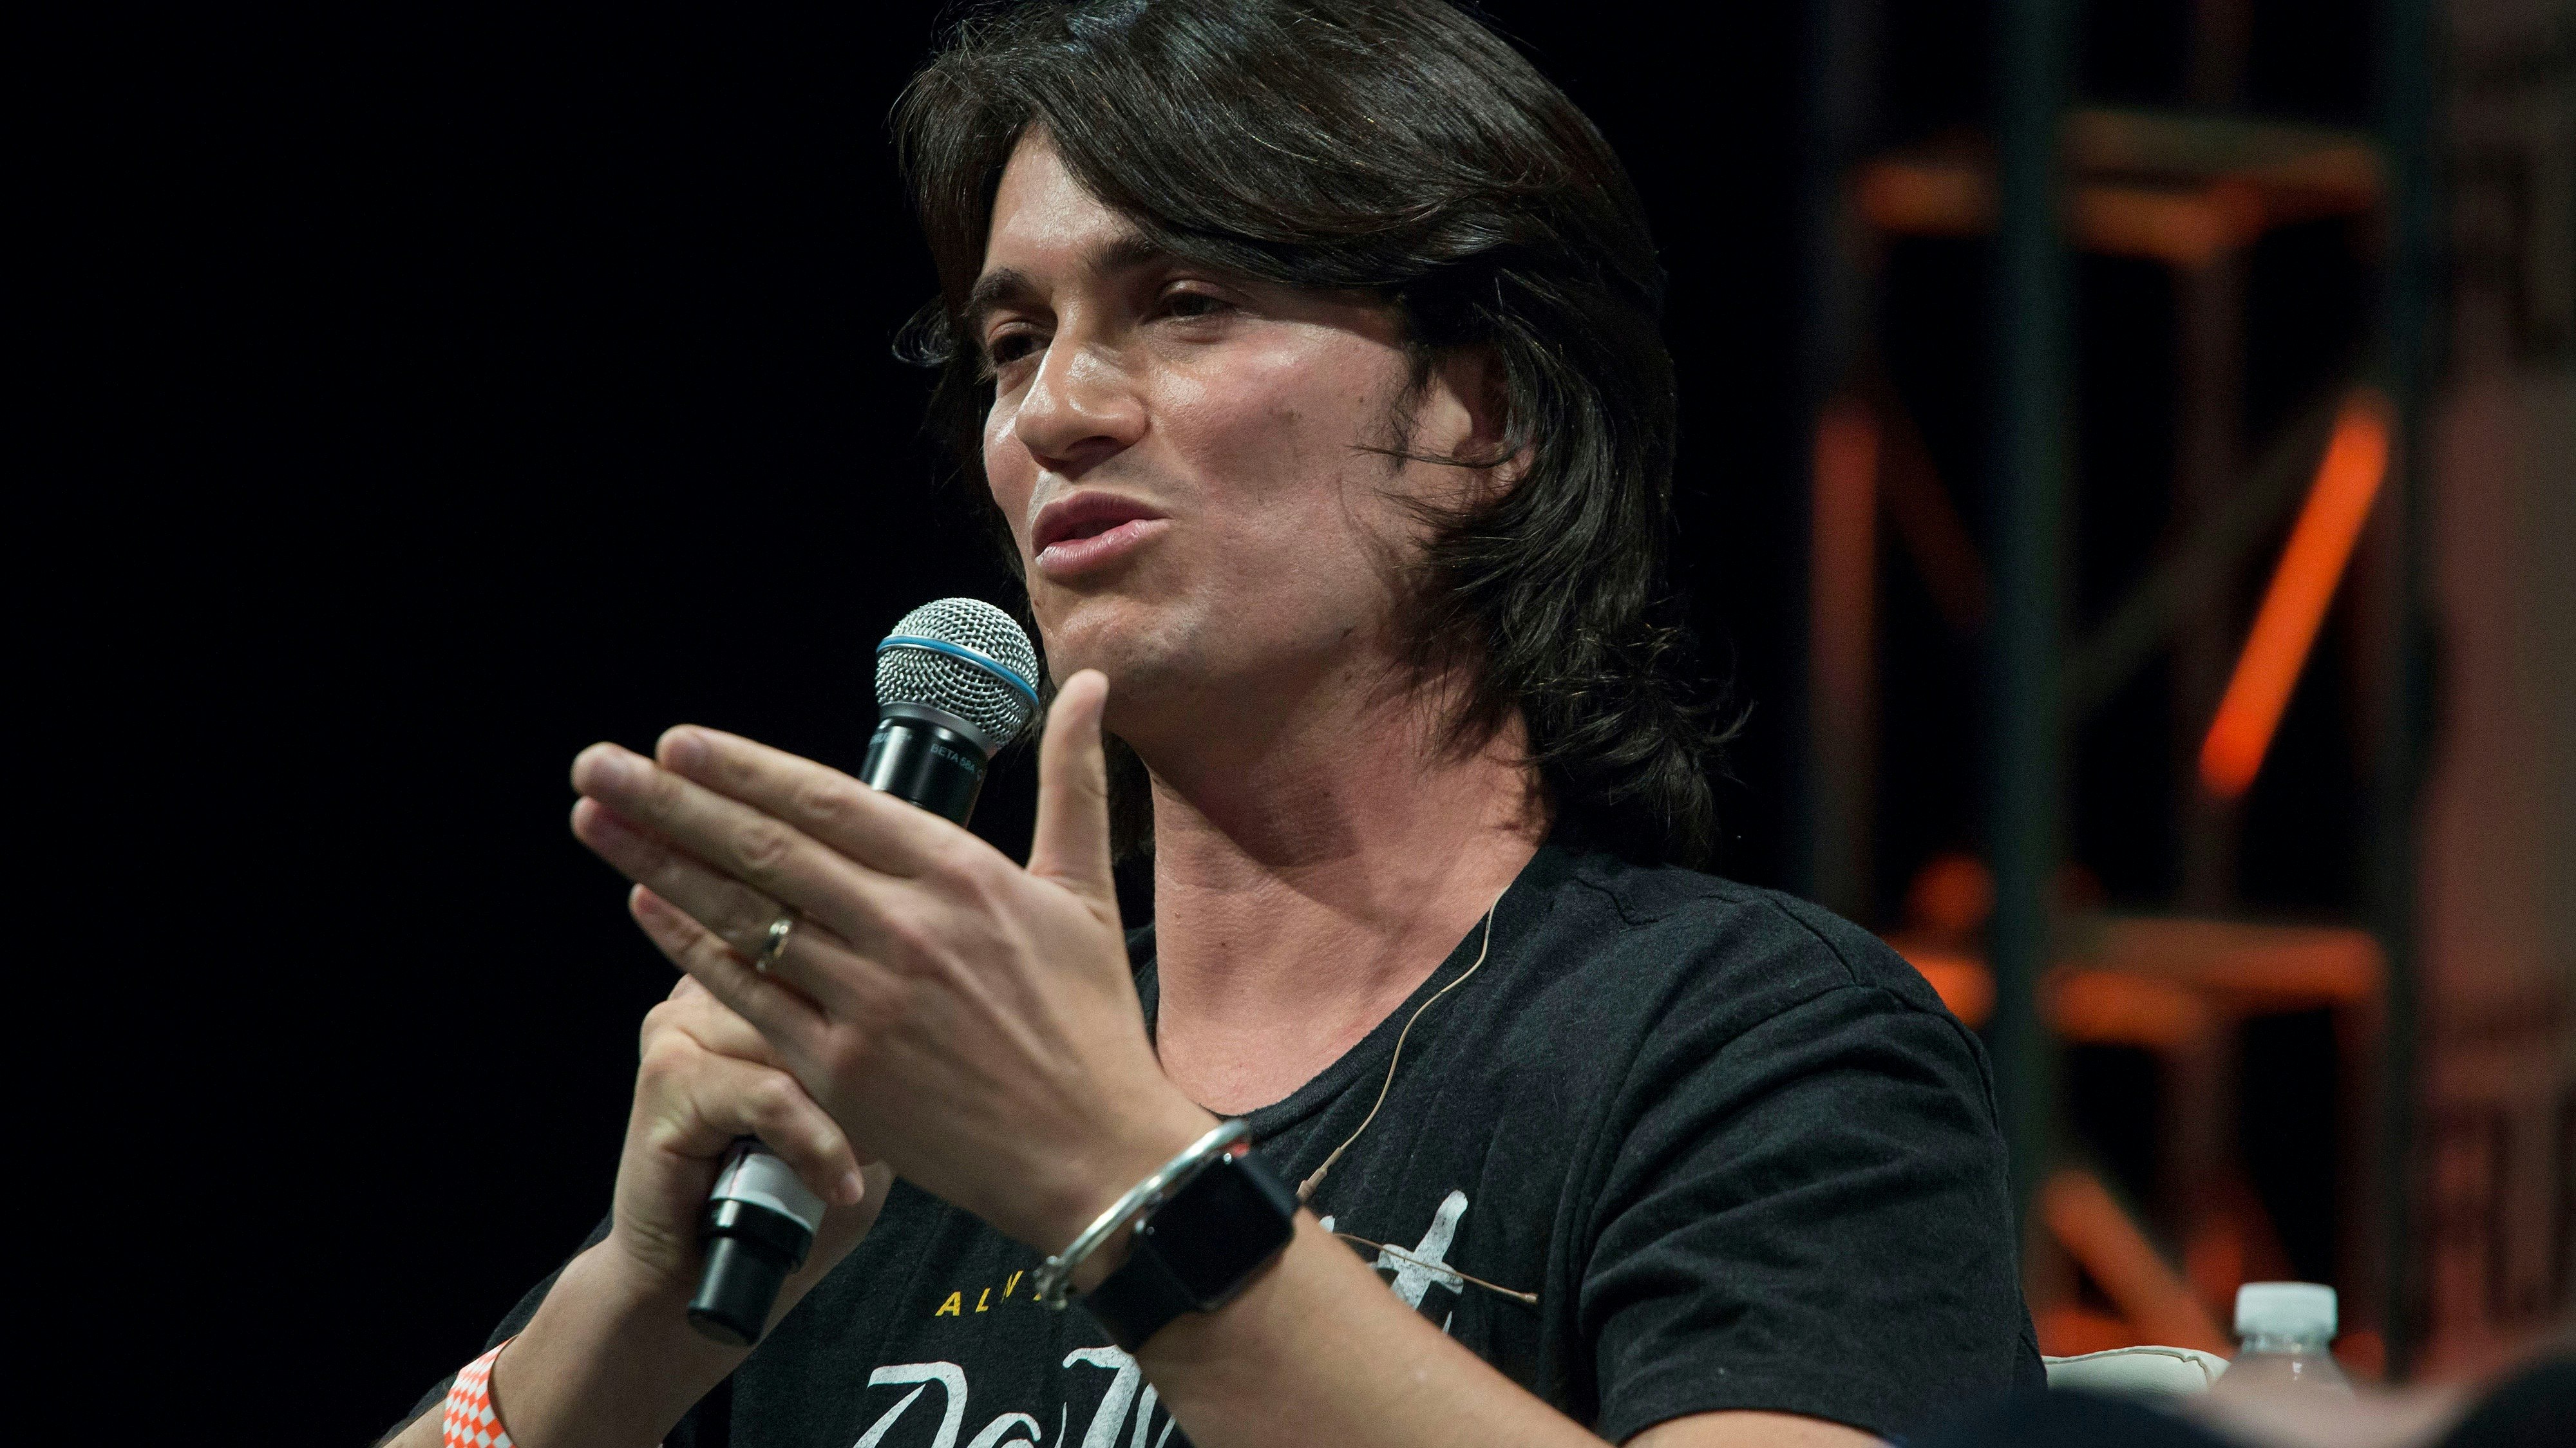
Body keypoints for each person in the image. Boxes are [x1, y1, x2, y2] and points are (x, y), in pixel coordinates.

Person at [385, 2, 2040, 1444]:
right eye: (1010, 343)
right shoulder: (889, 1072)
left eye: (1181, 302)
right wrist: (636, 1304)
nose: (1056, 412)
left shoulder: (1753, 1050)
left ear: (1491, 412)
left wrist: (1112, 1175)